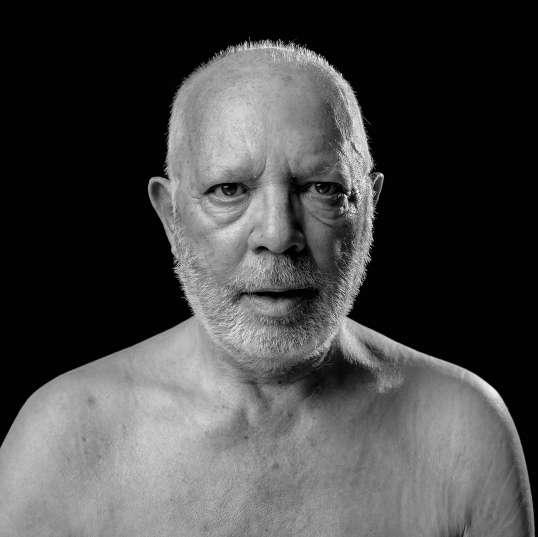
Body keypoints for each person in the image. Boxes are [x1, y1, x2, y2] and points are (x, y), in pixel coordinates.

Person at [0, 41, 533, 536]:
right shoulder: (62, 441)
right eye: (229, 190)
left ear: (368, 210)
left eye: (322, 189)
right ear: (171, 216)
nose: (279, 236)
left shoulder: (462, 431)